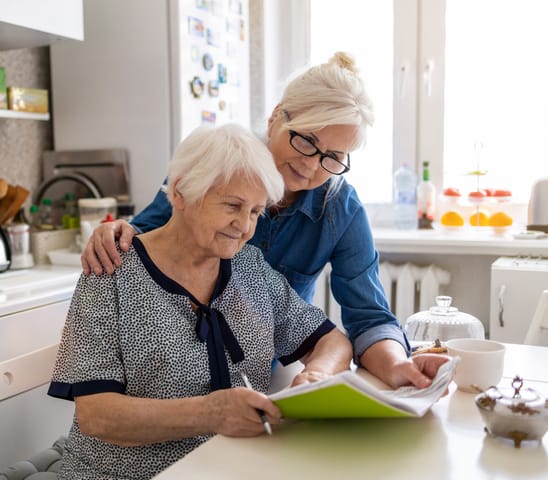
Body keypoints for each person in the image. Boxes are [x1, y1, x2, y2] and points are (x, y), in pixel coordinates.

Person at [81, 52, 450, 390]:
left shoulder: (340, 208)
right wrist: (115, 231)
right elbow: (146, 238)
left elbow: (368, 317)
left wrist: (398, 365)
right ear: (277, 117)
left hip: (262, 375)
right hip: (173, 375)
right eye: (306, 140)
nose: (310, 165)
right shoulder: (215, 165)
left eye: (332, 156)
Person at [48, 124, 352, 480]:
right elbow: (97, 415)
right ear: (180, 193)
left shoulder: (249, 267)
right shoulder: (112, 270)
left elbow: (332, 340)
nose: (244, 226)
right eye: (232, 206)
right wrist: (211, 413)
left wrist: (316, 375)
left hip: (231, 470)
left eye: (255, 212)